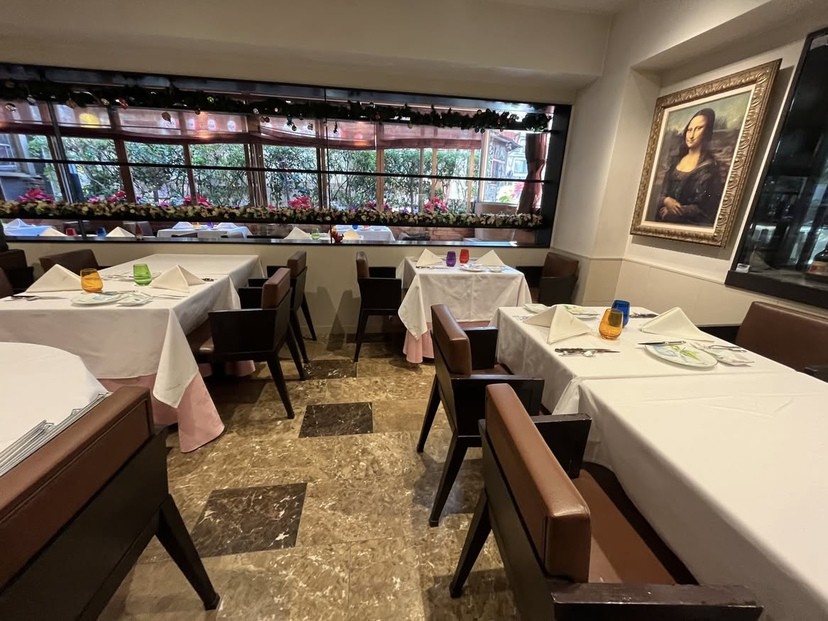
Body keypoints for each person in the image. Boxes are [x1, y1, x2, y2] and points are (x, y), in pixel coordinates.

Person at [655, 108, 722, 225]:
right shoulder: (675, 161)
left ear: (707, 131)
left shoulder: (710, 167)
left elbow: (706, 208)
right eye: (690, 130)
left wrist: (677, 211)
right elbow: (660, 193)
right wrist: (666, 200)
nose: (691, 135)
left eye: (698, 129)